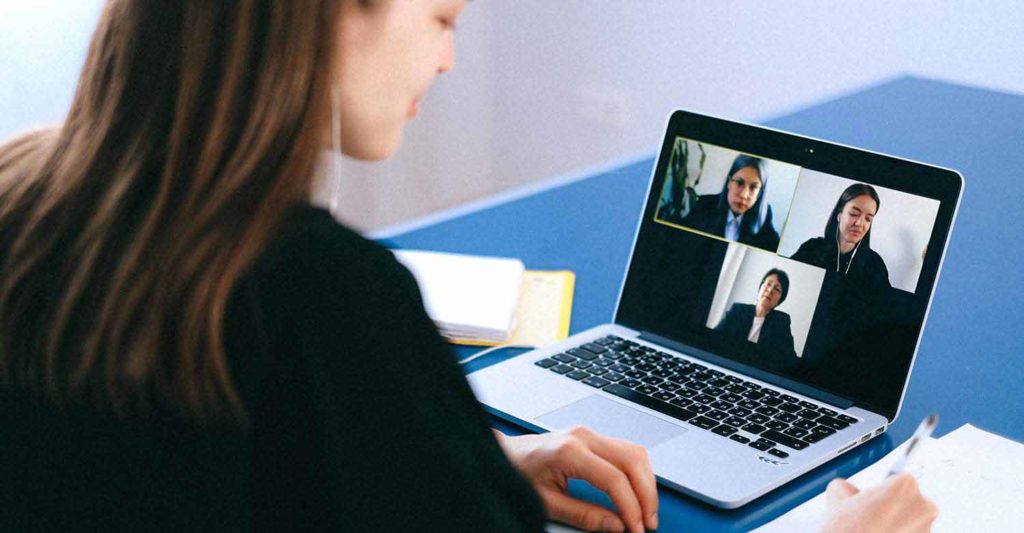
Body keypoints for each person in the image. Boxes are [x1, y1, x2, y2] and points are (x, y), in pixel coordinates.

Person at [0, 1, 936, 532]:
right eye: (442, 17)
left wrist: (471, 461)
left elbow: (194, 464)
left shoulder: (23, 191)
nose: (449, 60)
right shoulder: (323, 296)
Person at [790, 183, 891, 291]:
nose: (859, 223)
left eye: (868, 219)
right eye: (854, 214)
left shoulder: (875, 264)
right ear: (839, 215)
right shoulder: (811, 249)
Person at [681, 154, 781, 251]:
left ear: (760, 193)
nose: (744, 195)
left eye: (753, 187)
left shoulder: (764, 215)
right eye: (739, 183)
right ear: (729, 182)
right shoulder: (705, 205)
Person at [715, 268, 798, 360]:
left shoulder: (781, 322)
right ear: (760, 288)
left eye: (777, 289)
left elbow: (789, 358)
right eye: (768, 284)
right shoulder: (737, 310)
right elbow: (714, 338)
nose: (770, 290)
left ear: (779, 300)